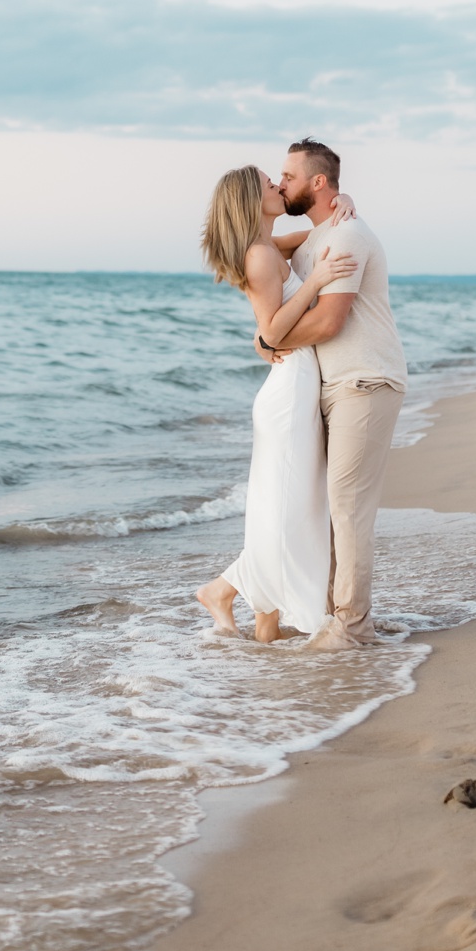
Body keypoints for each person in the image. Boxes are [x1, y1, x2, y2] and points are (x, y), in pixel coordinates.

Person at [194, 164, 358, 641]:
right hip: (288, 392)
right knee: (291, 510)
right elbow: (271, 331)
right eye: (270, 184)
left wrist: (342, 203)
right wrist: (317, 280)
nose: (279, 187)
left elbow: (310, 237)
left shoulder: (266, 248)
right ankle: (222, 589)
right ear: (253, 199)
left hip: (293, 386)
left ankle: (265, 624)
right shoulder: (261, 257)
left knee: (281, 508)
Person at [265, 139, 408, 649]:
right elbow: (257, 248)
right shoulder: (320, 233)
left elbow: (328, 321)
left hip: (365, 381)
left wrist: (270, 338)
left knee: (347, 509)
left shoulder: (344, 235)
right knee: (329, 509)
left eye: (288, 175)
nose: (280, 183)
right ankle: (341, 612)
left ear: (318, 183)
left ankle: (351, 626)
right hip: (335, 385)